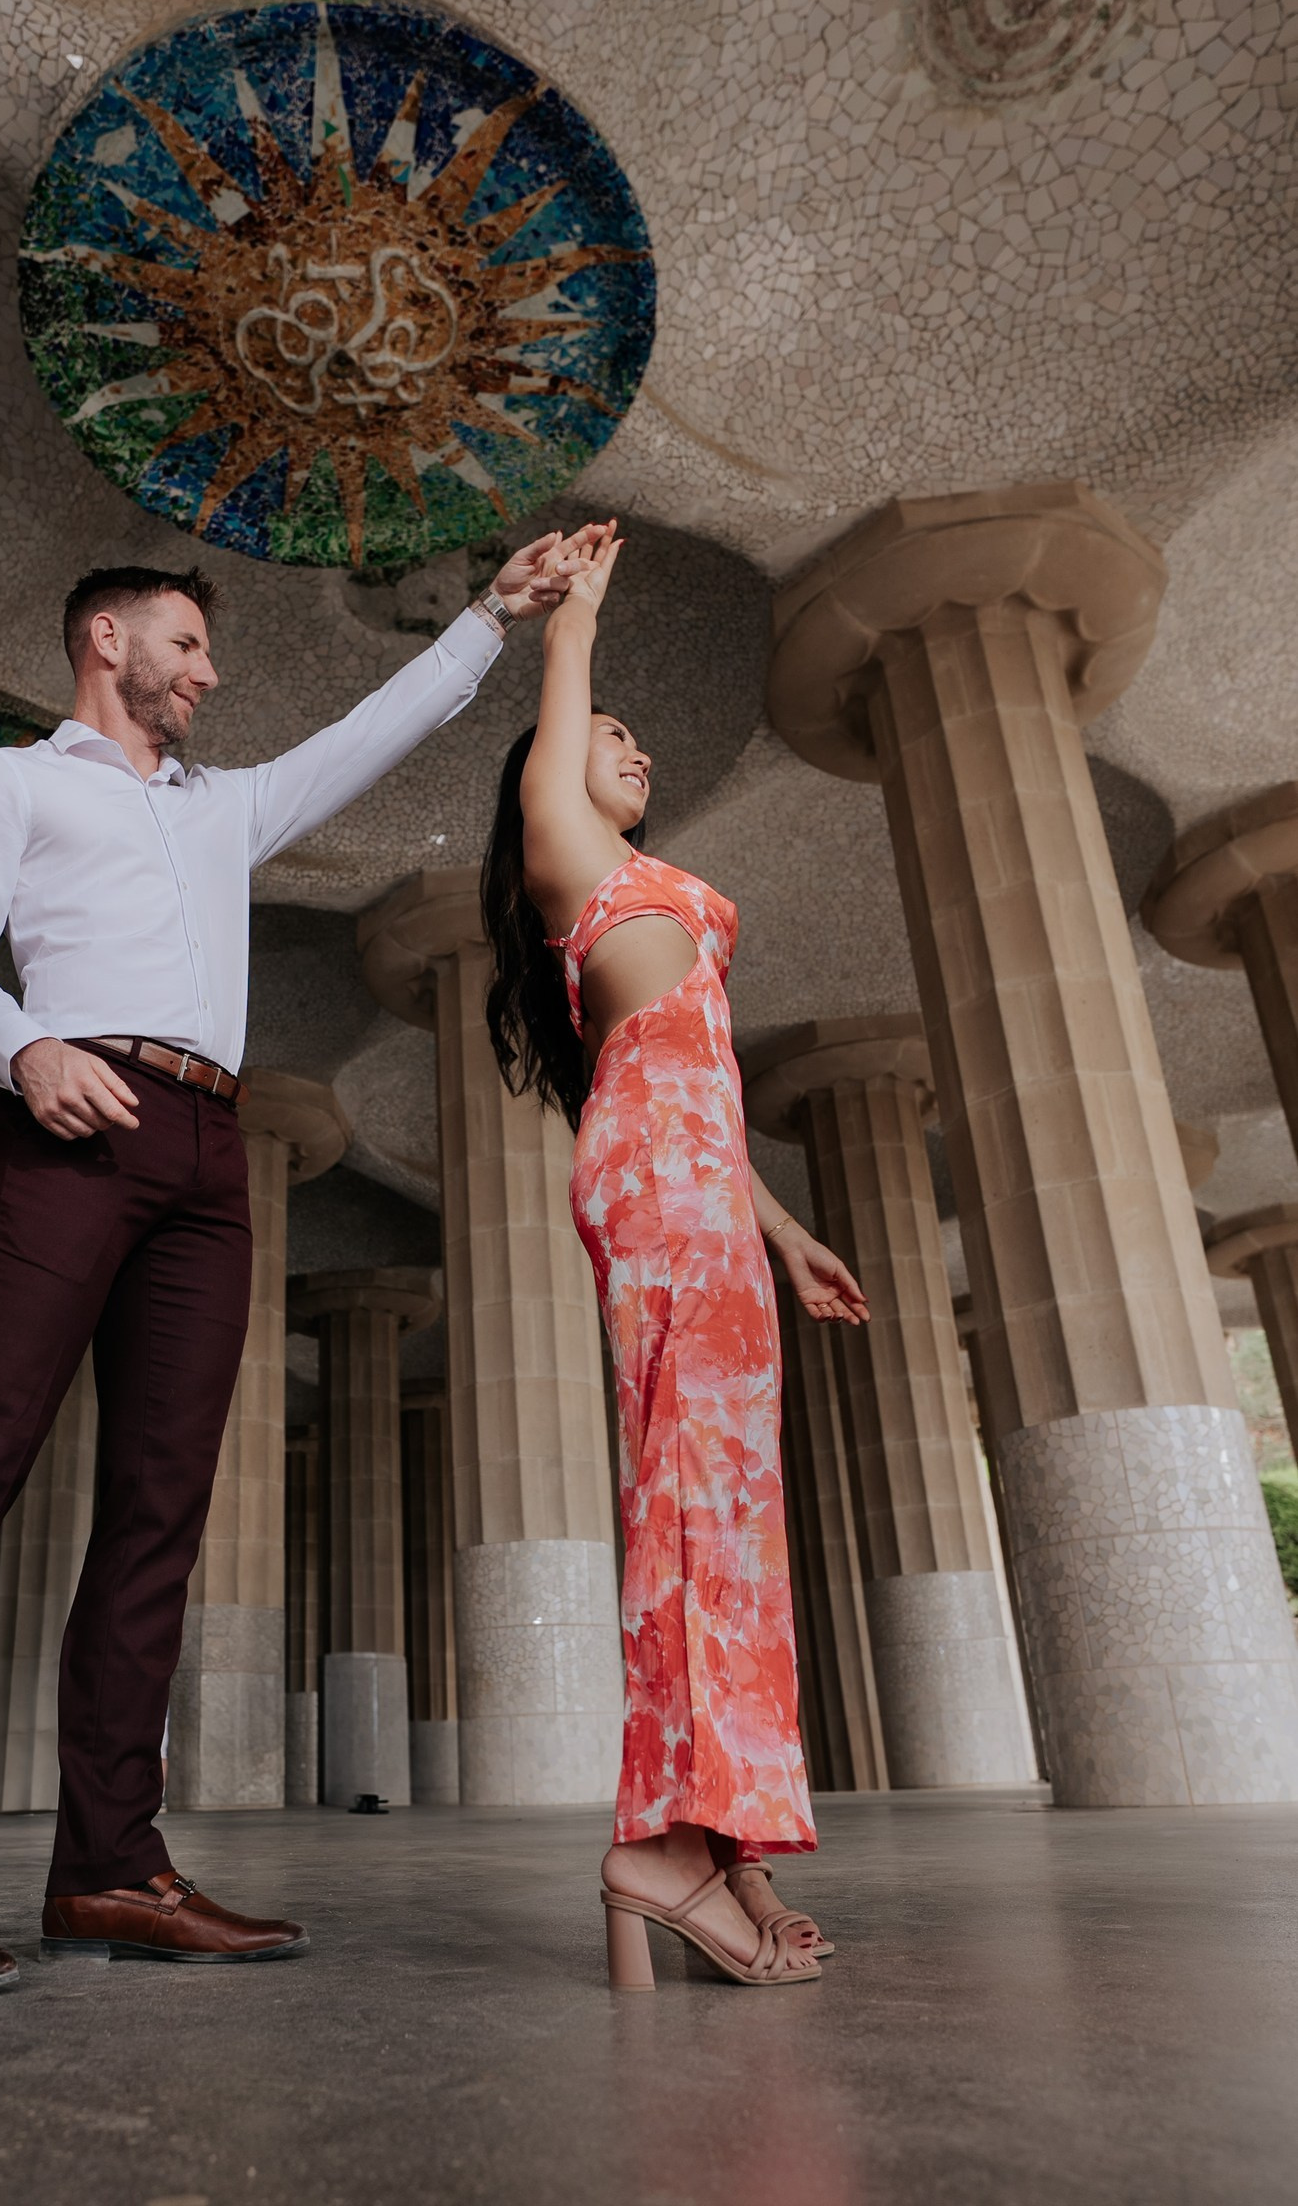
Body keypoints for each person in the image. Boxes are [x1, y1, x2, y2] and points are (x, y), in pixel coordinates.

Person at [0, 531, 592, 1996]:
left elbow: (375, 728)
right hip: (67, 1120)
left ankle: (107, 1866)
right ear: (107, 640)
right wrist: (18, 1048)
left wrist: (494, 613)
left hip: (212, 1153)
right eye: (187, 648)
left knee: (162, 1506)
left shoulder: (224, 808)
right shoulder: (11, 782)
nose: (208, 676)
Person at [482, 521, 868, 1991]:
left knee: (729, 1507)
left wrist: (785, 1228)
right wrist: (574, 620)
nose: (625, 751)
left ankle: (718, 1834)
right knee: (692, 1499)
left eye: (637, 741)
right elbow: (659, 1110)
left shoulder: (658, 886)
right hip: (654, 1188)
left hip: (703, 1187)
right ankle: (663, 1848)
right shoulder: (569, 863)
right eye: (604, 735)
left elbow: (702, 1090)